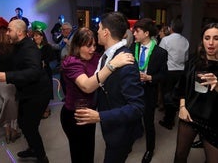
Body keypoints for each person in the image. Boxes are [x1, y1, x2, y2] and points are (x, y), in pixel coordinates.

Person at [74, 12, 144, 163]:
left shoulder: (126, 61)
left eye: (99, 28)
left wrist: (100, 116)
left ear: (105, 32)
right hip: (112, 127)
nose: (97, 31)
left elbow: (137, 107)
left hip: (121, 132)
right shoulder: (108, 55)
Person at [61, 27, 133, 163]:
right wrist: (112, 65)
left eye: (94, 45)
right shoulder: (71, 62)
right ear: (77, 45)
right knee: (78, 154)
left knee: (89, 151)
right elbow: (87, 86)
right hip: (74, 115)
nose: (92, 49)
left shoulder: (97, 58)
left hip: (91, 113)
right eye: (88, 46)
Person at [0, 19, 51, 163]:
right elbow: (12, 61)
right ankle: (33, 148)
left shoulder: (29, 47)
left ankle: (42, 157)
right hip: (27, 91)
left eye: (9, 30)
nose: (7, 33)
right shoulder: (17, 46)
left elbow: (34, 71)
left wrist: (6, 76)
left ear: (19, 32)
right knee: (23, 122)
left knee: (30, 126)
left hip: (38, 93)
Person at [174, 22, 218, 163]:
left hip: (215, 121)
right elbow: (181, 87)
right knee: (180, 156)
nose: (211, 43)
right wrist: (182, 107)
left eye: (216, 38)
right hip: (190, 115)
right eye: (207, 38)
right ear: (202, 40)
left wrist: (217, 86)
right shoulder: (194, 61)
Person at [130, 18, 168, 163]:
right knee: (131, 118)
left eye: (137, 31)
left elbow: (164, 75)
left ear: (146, 33)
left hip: (148, 91)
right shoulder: (132, 47)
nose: (134, 34)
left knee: (148, 122)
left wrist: (149, 77)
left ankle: (149, 150)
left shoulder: (160, 53)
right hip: (132, 90)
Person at [159, 17, 189, 130]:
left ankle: (168, 120)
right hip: (181, 71)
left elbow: (161, 57)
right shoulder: (186, 41)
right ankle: (172, 116)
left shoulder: (166, 40)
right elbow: (186, 58)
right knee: (176, 95)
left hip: (169, 71)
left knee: (167, 95)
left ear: (171, 28)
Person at [32, 21, 54, 119]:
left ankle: (46, 108)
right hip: (36, 73)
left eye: (38, 35)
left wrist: (45, 61)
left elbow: (51, 57)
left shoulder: (47, 46)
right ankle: (40, 108)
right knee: (38, 91)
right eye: (34, 36)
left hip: (46, 72)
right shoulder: (31, 47)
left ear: (42, 36)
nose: (36, 37)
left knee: (46, 90)